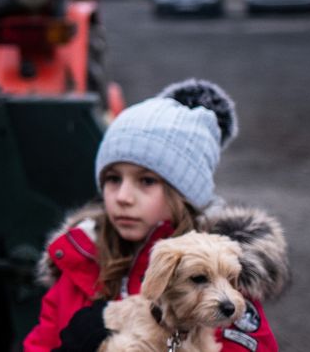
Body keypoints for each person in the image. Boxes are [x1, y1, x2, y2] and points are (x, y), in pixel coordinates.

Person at [23, 79, 288, 352]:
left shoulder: (220, 268)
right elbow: (39, 345)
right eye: (113, 179)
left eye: (146, 181)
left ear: (184, 194)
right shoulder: (80, 257)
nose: (123, 196)